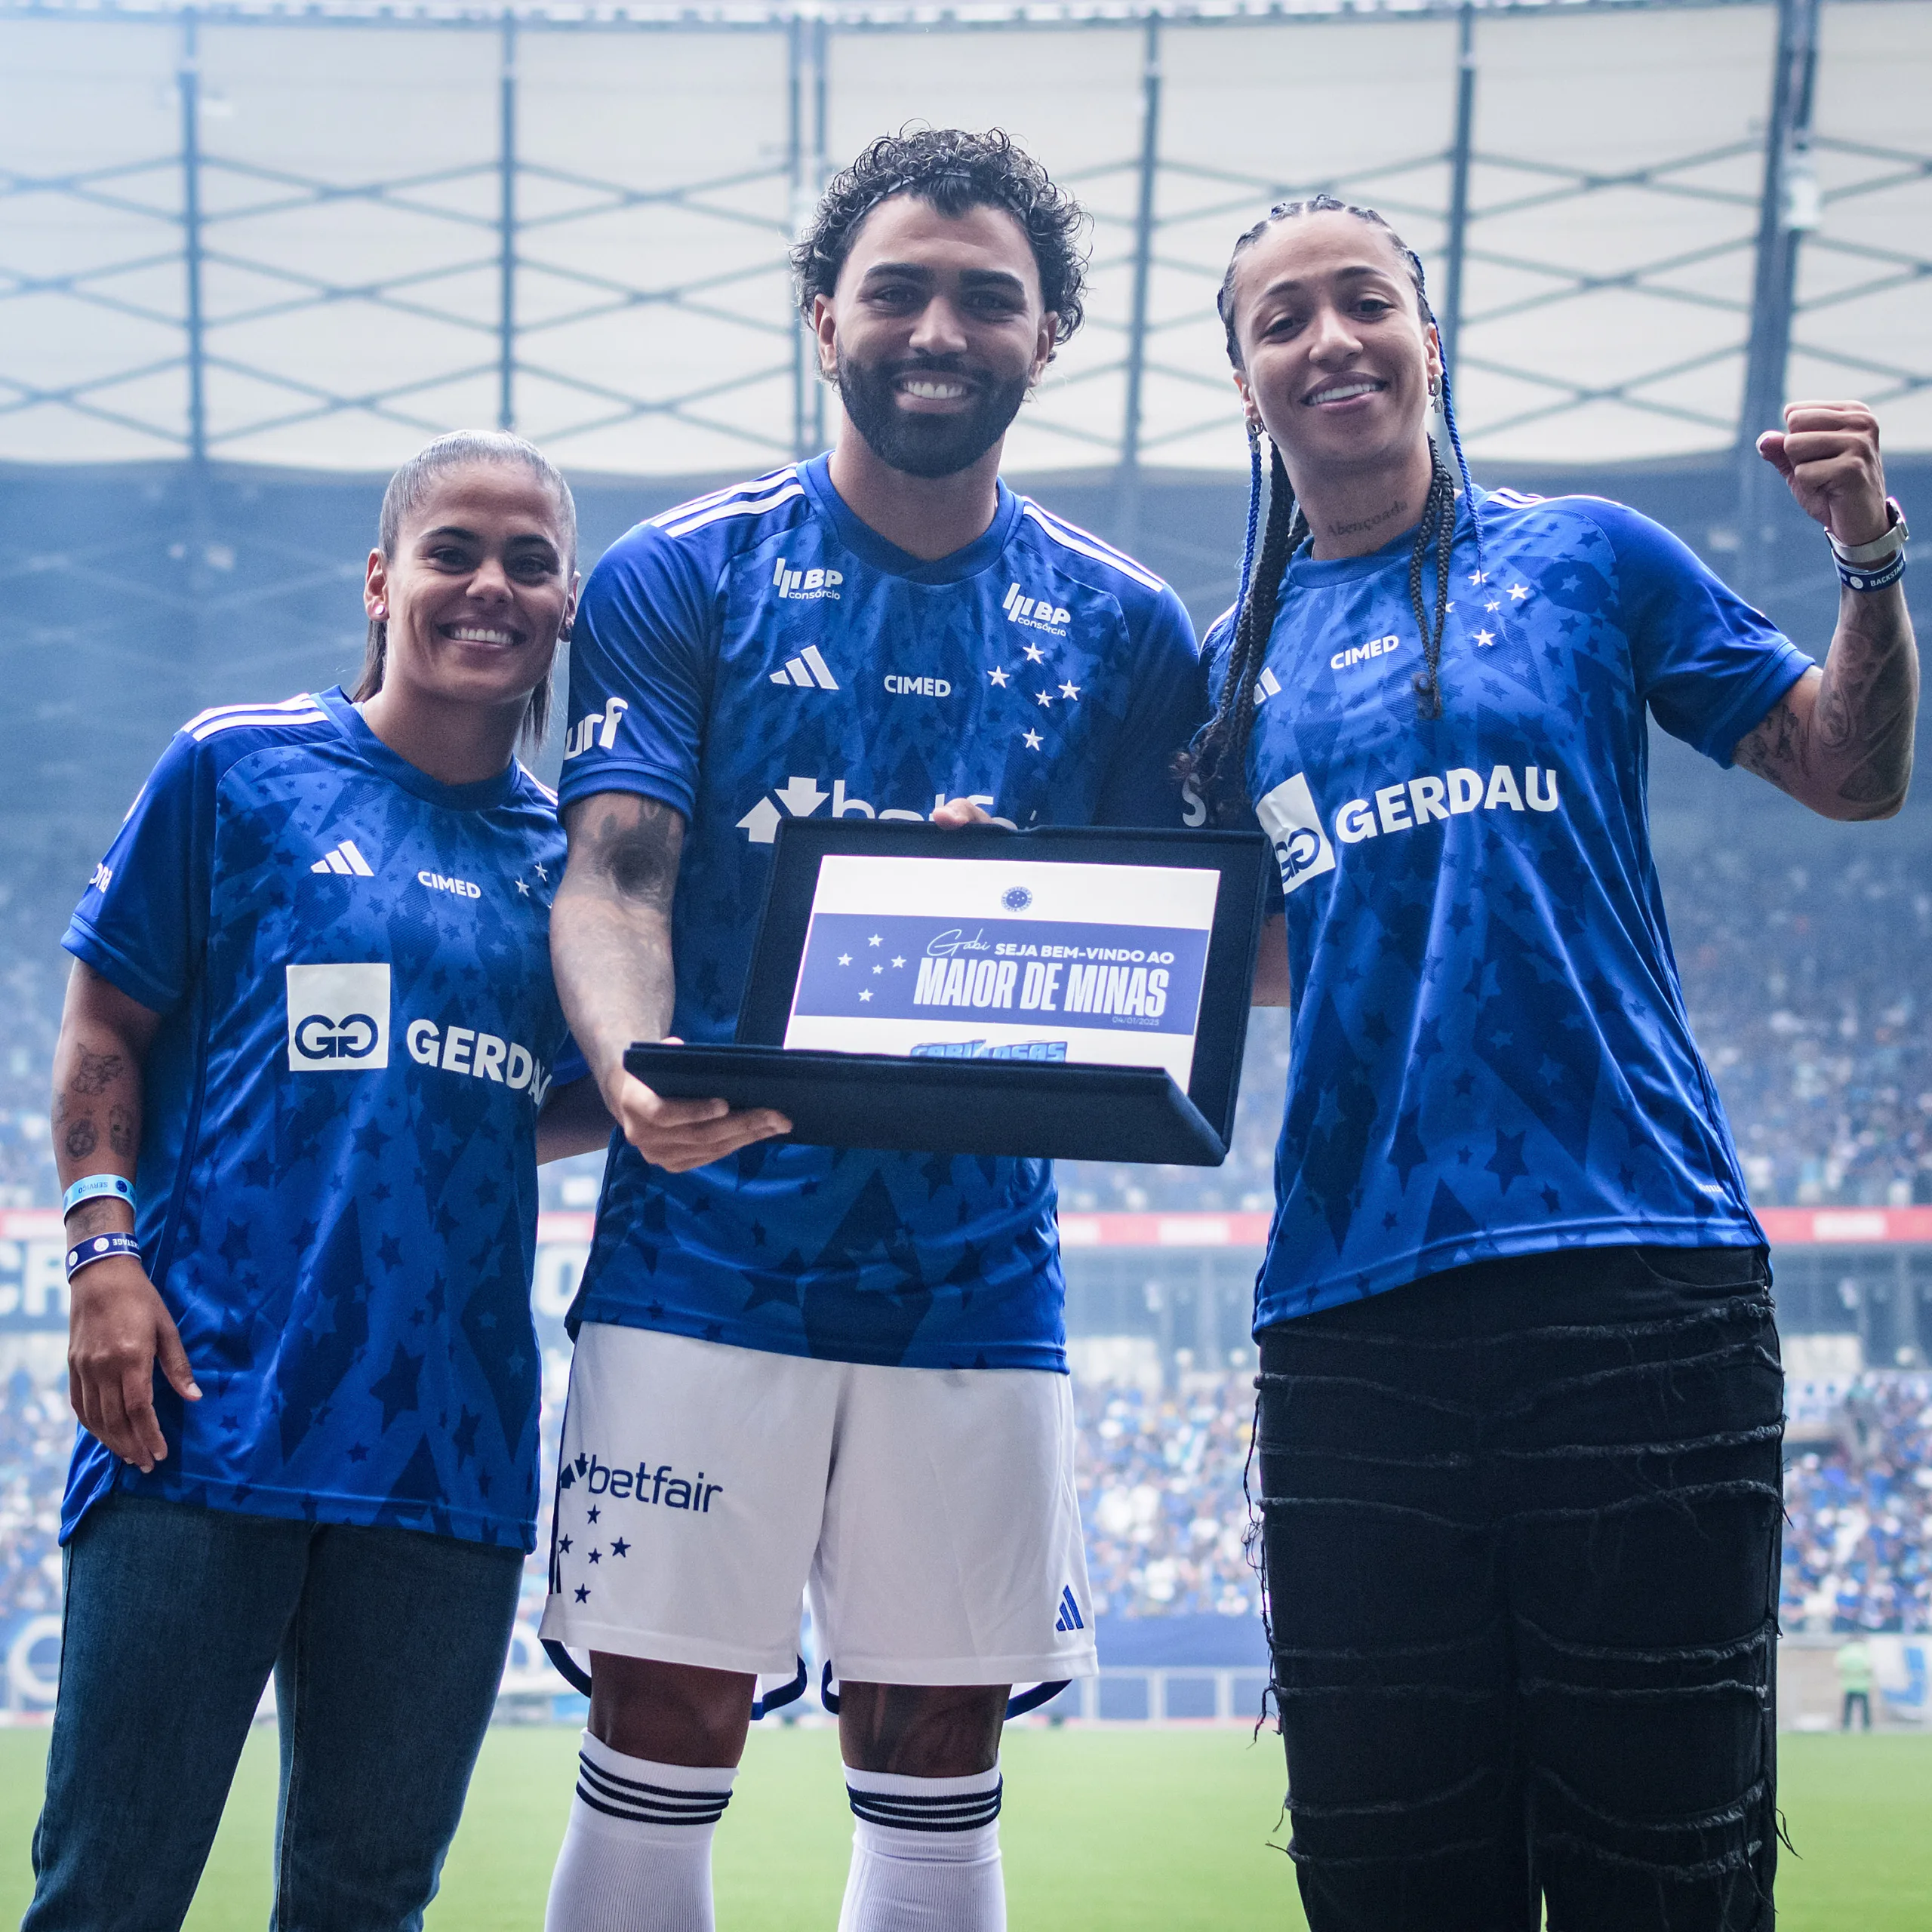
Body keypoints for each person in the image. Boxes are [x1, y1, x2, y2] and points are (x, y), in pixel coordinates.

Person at [1188, 194, 1916, 1930]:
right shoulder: (1227, 675)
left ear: (1427, 339)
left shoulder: (1586, 557)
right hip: (1347, 1319)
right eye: (1279, 320)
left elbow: (1847, 769)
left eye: (1363, 301)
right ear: (1243, 385)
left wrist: (1868, 562)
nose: (1328, 340)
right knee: (1384, 1884)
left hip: (1635, 1285)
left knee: (1664, 1879)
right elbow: (1253, 954)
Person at [540, 128, 1203, 1932]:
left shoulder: (1127, 628)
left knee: (933, 1746)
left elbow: (1179, 943)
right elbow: (613, 870)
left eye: (985, 295)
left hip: (976, 1269)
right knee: (658, 1716)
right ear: (822, 310)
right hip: (702, 1251)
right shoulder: (681, 577)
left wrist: (1028, 909)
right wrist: (627, 1065)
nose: (936, 324)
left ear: (1047, 331)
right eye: (896, 286)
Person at [25, 430, 611, 1932]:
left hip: (444, 1455)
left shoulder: (578, 873)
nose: (489, 585)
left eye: (529, 562)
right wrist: (100, 1255)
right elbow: (104, 1022)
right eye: (454, 551)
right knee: (110, 1886)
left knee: (365, 1900)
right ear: (380, 579)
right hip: (196, 1419)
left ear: (564, 607)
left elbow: (551, 1099)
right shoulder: (237, 768)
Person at [1836, 1637, 1875, 1730]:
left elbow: (1838, 1667)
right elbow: (1869, 1668)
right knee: (1865, 1709)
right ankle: (1866, 1726)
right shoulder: (1864, 1651)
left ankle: (1846, 1726)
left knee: (1847, 1708)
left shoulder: (1845, 1651)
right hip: (1863, 1685)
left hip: (1848, 1684)